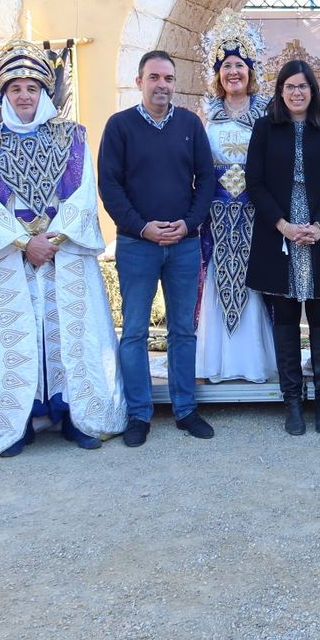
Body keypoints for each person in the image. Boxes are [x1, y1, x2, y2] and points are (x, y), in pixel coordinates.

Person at [0, 43, 126, 457]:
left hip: (64, 253)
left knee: (68, 330)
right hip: (10, 257)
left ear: (45, 92)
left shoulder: (72, 137)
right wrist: (22, 242)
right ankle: (17, 420)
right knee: (18, 334)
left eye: (32, 87)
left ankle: (77, 415)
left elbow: (85, 193)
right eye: (15, 87)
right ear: (3, 94)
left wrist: (51, 241)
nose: (24, 95)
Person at [97, 49, 216, 446]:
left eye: (168, 78)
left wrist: (189, 223)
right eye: (154, 77)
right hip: (137, 245)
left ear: (174, 83)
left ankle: (185, 409)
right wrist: (142, 227)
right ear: (139, 81)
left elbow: (207, 180)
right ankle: (138, 414)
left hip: (184, 244)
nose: (161, 85)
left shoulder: (189, 125)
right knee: (133, 332)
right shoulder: (120, 126)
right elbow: (109, 186)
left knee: (183, 330)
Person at [246, 59, 320, 435]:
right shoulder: (264, 128)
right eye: (289, 86)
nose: (296, 92)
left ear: (313, 91)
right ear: (280, 91)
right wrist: (284, 226)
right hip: (280, 233)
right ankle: (292, 400)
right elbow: (254, 183)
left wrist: (319, 226)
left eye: (303, 87)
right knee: (286, 316)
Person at [196, 12, 276, 387]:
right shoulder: (207, 112)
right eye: (226, 65)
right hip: (217, 214)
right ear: (218, 72)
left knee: (254, 282)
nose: (233, 72)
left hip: (255, 212)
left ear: (250, 71)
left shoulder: (266, 111)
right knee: (218, 279)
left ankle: (254, 363)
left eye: (239, 65)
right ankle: (218, 363)